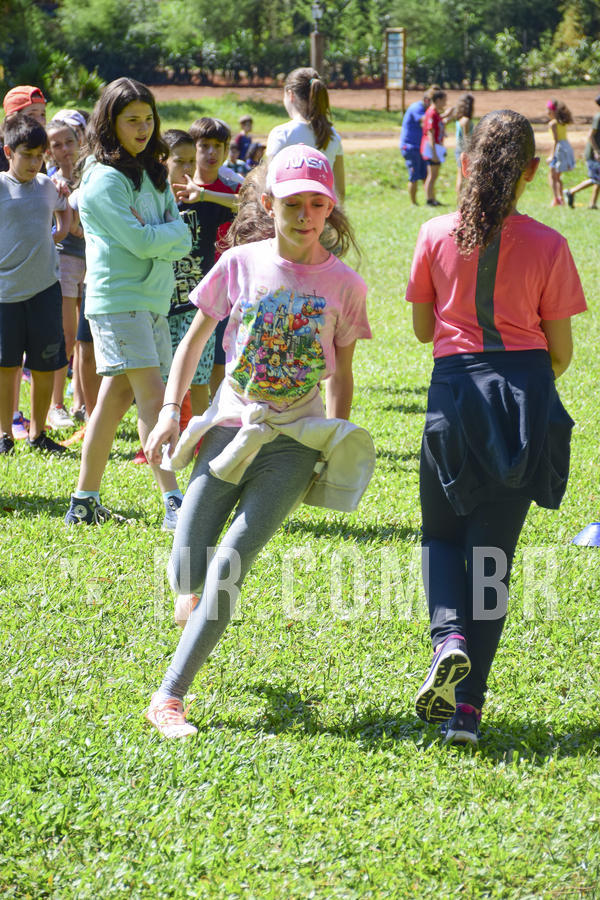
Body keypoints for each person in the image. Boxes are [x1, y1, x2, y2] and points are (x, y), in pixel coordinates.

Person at [143, 145, 374, 738]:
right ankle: (187, 597)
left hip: (294, 441)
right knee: (187, 561)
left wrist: (331, 444)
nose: (305, 214)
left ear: (329, 208)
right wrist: (172, 410)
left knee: (229, 566)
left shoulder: (345, 285)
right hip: (227, 429)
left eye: (316, 204)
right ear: (269, 205)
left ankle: (169, 697)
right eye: (292, 203)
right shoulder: (240, 263)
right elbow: (193, 342)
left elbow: (342, 374)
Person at [407, 110, 587, 746]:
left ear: (466, 165)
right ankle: (468, 714)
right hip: (522, 400)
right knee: (492, 558)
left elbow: (425, 331)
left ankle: (447, 635)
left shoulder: (434, 233)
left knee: (439, 538)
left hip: (452, 396)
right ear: (533, 173)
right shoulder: (550, 245)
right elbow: (561, 353)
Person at [64, 77, 191, 529]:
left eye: (147, 118)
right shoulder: (102, 179)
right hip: (119, 300)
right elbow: (140, 240)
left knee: (115, 398)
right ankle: (175, 503)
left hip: (150, 299)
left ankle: (83, 501)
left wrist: (164, 235)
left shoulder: (153, 171)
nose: (141, 127)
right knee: (154, 398)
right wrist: (166, 235)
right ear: (109, 123)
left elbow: (182, 234)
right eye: (131, 119)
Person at [0, 114, 72, 455]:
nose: (33, 162)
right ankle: (4, 434)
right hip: (5, 293)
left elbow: (64, 207)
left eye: (39, 155)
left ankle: (38, 433)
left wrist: (62, 228)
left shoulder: (48, 185)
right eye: (26, 154)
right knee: (7, 366)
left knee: (45, 366)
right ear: (8, 151)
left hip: (45, 289)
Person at [173, 117, 240, 400]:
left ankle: (217, 417)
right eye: (204, 146)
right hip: (180, 291)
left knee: (219, 360)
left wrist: (205, 195)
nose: (212, 153)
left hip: (223, 286)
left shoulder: (231, 185)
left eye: (218, 146)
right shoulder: (174, 187)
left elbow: (247, 202)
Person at [46, 117, 87, 429]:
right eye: (56, 144)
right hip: (65, 263)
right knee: (65, 335)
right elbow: (69, 229)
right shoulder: (49, 181)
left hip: (96, 263)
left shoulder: (92, 175)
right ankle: (56, 404)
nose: (64, 149)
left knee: (88, 338)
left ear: (80, 141)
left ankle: (81, 402)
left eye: (69, 142)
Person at [266, 67, 345, 203]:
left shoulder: (281, 134)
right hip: (323, 215)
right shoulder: (333, 136)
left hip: (290, 215)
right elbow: (340, 192)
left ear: (290, 95)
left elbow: (269, 185)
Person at [564, 94, 600, 210]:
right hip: (594, 154)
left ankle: (592, 204)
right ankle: (571, 191)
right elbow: (590, 135)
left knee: (598, 179)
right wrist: (597, 151)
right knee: (596, 179)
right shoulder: (598, 117)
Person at [399, 91, 430, 205]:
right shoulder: (417, 108)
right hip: (410, 147)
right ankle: (413, 203)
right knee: (414, 176)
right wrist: (444, 116)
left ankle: (429, 199)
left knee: (425, 175)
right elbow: (425, 122)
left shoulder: (425, 109)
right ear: (427, 100)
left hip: (420, 147)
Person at [420, 88, 447, 207]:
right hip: (432, 147)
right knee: (432, 175)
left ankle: (432, 198)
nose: (445, 104)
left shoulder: (436, 113)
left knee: (434, 175)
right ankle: (429, 200)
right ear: (438, 100)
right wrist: (434, 152)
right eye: (444, 101)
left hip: (436, 147)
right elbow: (430, 133)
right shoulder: (431, 112)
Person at [546, 99, 575, 206]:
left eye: (548, 110)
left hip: (559, 149)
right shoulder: (562, 122)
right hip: (566, 147)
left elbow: (555, 140)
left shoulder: (553, 123)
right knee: (558, 176)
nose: (547, 112)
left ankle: (556, 199)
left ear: (553, 111)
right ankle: (561, 198)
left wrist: (551, 156)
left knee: (552, 175)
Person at [454, 93, 474, 196]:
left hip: (459, 149)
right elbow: (467, 138)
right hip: (464, 150)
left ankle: (460, 199)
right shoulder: (466, 120)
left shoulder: (459, 119)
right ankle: (461, 200)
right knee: (462, 177)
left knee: (461, 176)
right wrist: (469, 152)